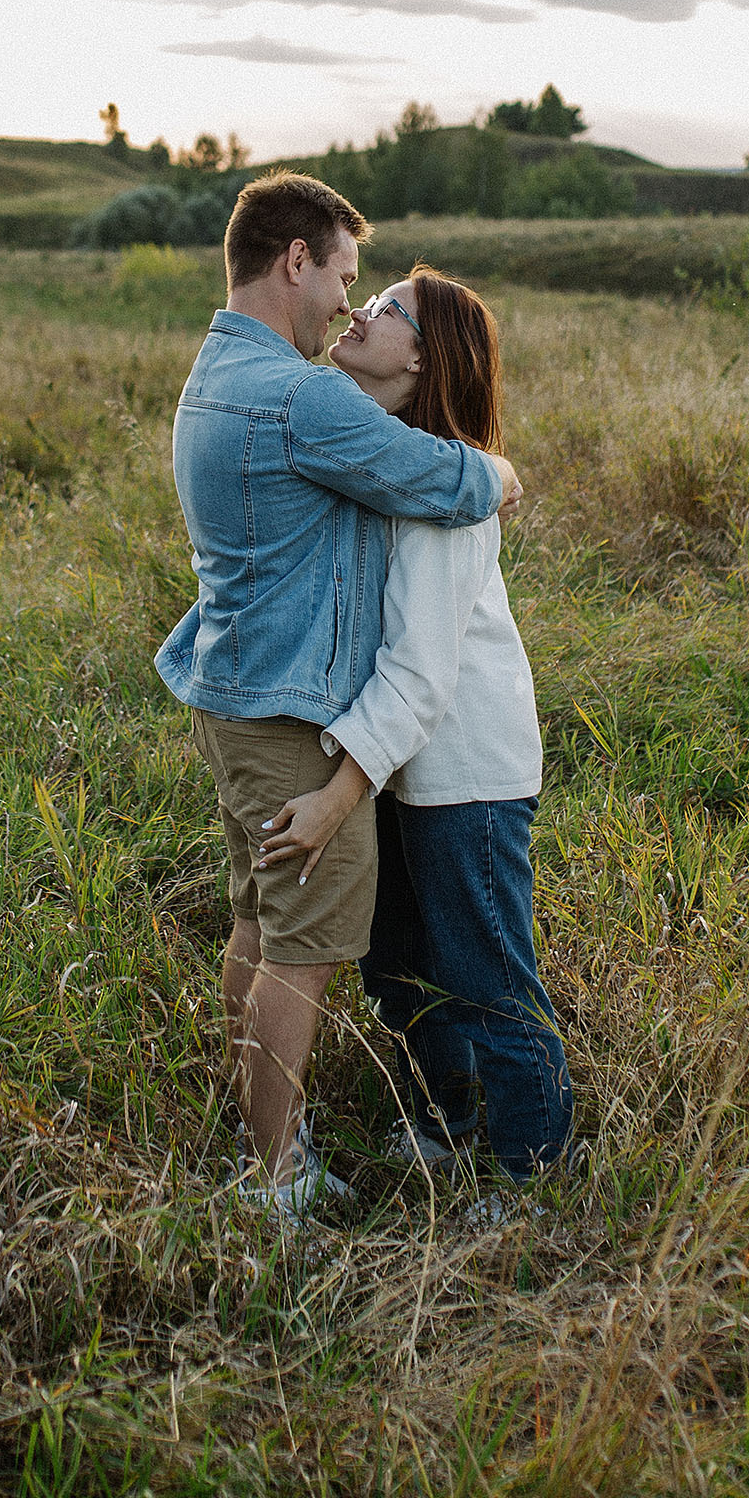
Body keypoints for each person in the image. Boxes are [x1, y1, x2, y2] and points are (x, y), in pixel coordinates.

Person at [157, 175, 520, 1217]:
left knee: (255, 927)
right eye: (343, 277)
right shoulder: (298, 393)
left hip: (233, 686)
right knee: (303, 950)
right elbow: (442, 482)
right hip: (289, 713)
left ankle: (261, 1141)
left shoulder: (218, 367)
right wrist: (502, 475)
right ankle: (274, 1178)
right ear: (294, 263)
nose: (344, 306)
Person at [255, 265, 572, 1186]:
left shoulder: (446, 497)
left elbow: (422, 673)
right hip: (400, 767)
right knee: (399, 967)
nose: (362, 310)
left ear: (426, 357)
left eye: (389, 309)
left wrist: (336, 787)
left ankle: (529, 1170)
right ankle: (445, 1119)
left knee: (486, 976)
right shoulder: (394, 461)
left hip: (465, 771)